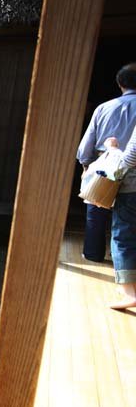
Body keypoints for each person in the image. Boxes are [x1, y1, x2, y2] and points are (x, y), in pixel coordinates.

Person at [76, 63, 136, 262]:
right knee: (128, 221)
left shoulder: (103, 108)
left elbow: (87, 145)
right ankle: (125, 263)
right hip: (133, 170)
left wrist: (86, 166)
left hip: (104, 164)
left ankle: (93, 254)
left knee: (96, 212)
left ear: (120, 83)